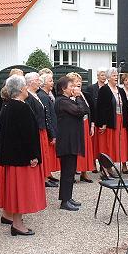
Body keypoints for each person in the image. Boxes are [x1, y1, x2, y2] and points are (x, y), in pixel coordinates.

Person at [0, 75, 46, 236]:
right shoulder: (21, 108)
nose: (27, 89)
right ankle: (17, 224)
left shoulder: (7, 106)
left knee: (15, 192)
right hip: (22, 159)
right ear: (19, 90)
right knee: (20, 193)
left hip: (12, 158)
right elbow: (28, 135)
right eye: (25, 87)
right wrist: (33, 156)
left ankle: (15, 220)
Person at [55, 76, 88, 211]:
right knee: (67, 171)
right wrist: (79, 98)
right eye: (70, 86)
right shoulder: (62, 101)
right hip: (66, 142)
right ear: (63, 89)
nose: (73, 89)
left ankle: (68, 197)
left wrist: (78, 99)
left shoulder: (68, 100)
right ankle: (64, 200)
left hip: (71, 140)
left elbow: (86, 110)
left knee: (70, 171)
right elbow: (80, 111)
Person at [25, 72, 58, 188]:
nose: (39, 82)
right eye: (37, 80)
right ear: (30, 82)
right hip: (38, 128)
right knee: (41, 154)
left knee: (44, 154)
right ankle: (42, 178)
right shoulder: (29, 96)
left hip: (42, 128)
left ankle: (44, 176)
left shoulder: (36, 95)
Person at [96, 68, 128, 174]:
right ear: (108, 77)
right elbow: (101, 108)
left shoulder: (121, 90)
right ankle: (106, 168)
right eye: (114, 75)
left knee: (119, 145)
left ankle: (116, 165)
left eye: (116, 75)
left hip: (120, 121)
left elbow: (125, 106)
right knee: (108, 146)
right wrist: (103, 123)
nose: (116, 77)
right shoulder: (104, 90)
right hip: (110, 122)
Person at [67, 72, 94, 183]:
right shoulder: (68, 97)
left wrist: (92, 125)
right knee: (75, 149)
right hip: (75, 125)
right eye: (75, 81)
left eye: (79, 81)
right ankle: (72, 173)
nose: (78, 83)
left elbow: (90, 110)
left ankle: (84, 172)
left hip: (86, 123)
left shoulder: (84, 94)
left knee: (86, 148)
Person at [37, 72, 61, 184]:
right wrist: (52, 134)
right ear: (44, 83)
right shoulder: (43, 96)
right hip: (47, 131)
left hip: (51, 129)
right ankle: (45, 177)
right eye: (50, 81)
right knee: (46, 155)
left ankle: (48, 174)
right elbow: (47, 116)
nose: (53, 83)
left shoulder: (46, 95)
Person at [85, 67, 107, 171]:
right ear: (97, 76)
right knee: (93, 143)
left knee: (102, 144)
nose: (103, 77)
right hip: (94, 117)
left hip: (103, 118)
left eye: (105, 75)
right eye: (102, 75)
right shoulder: (91, 88)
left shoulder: (108, 88)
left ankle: (103, 164)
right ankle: (93, 163)